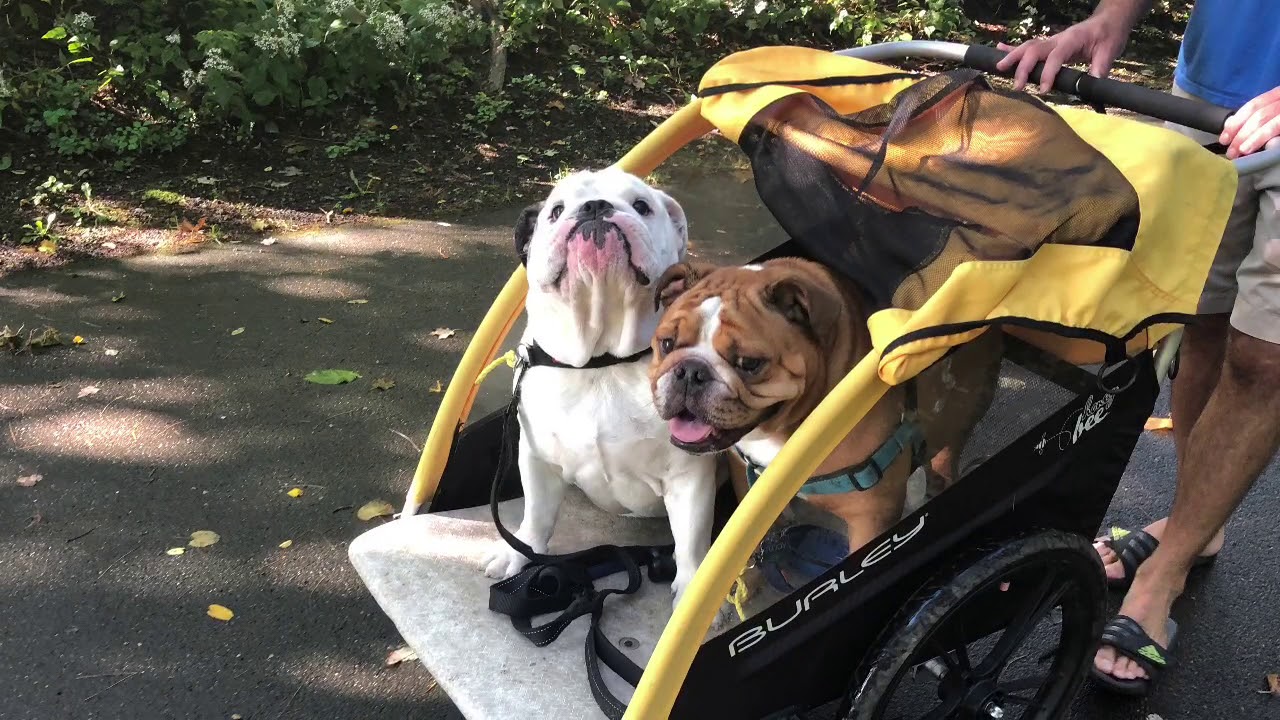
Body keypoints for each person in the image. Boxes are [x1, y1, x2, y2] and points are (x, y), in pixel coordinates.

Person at [997, 0, 1280, 697]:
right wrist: (1111, 18)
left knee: (1263, 361)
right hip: (1209, 95)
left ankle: (1166, 570)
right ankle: (1196, 525)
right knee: (1196, 318)